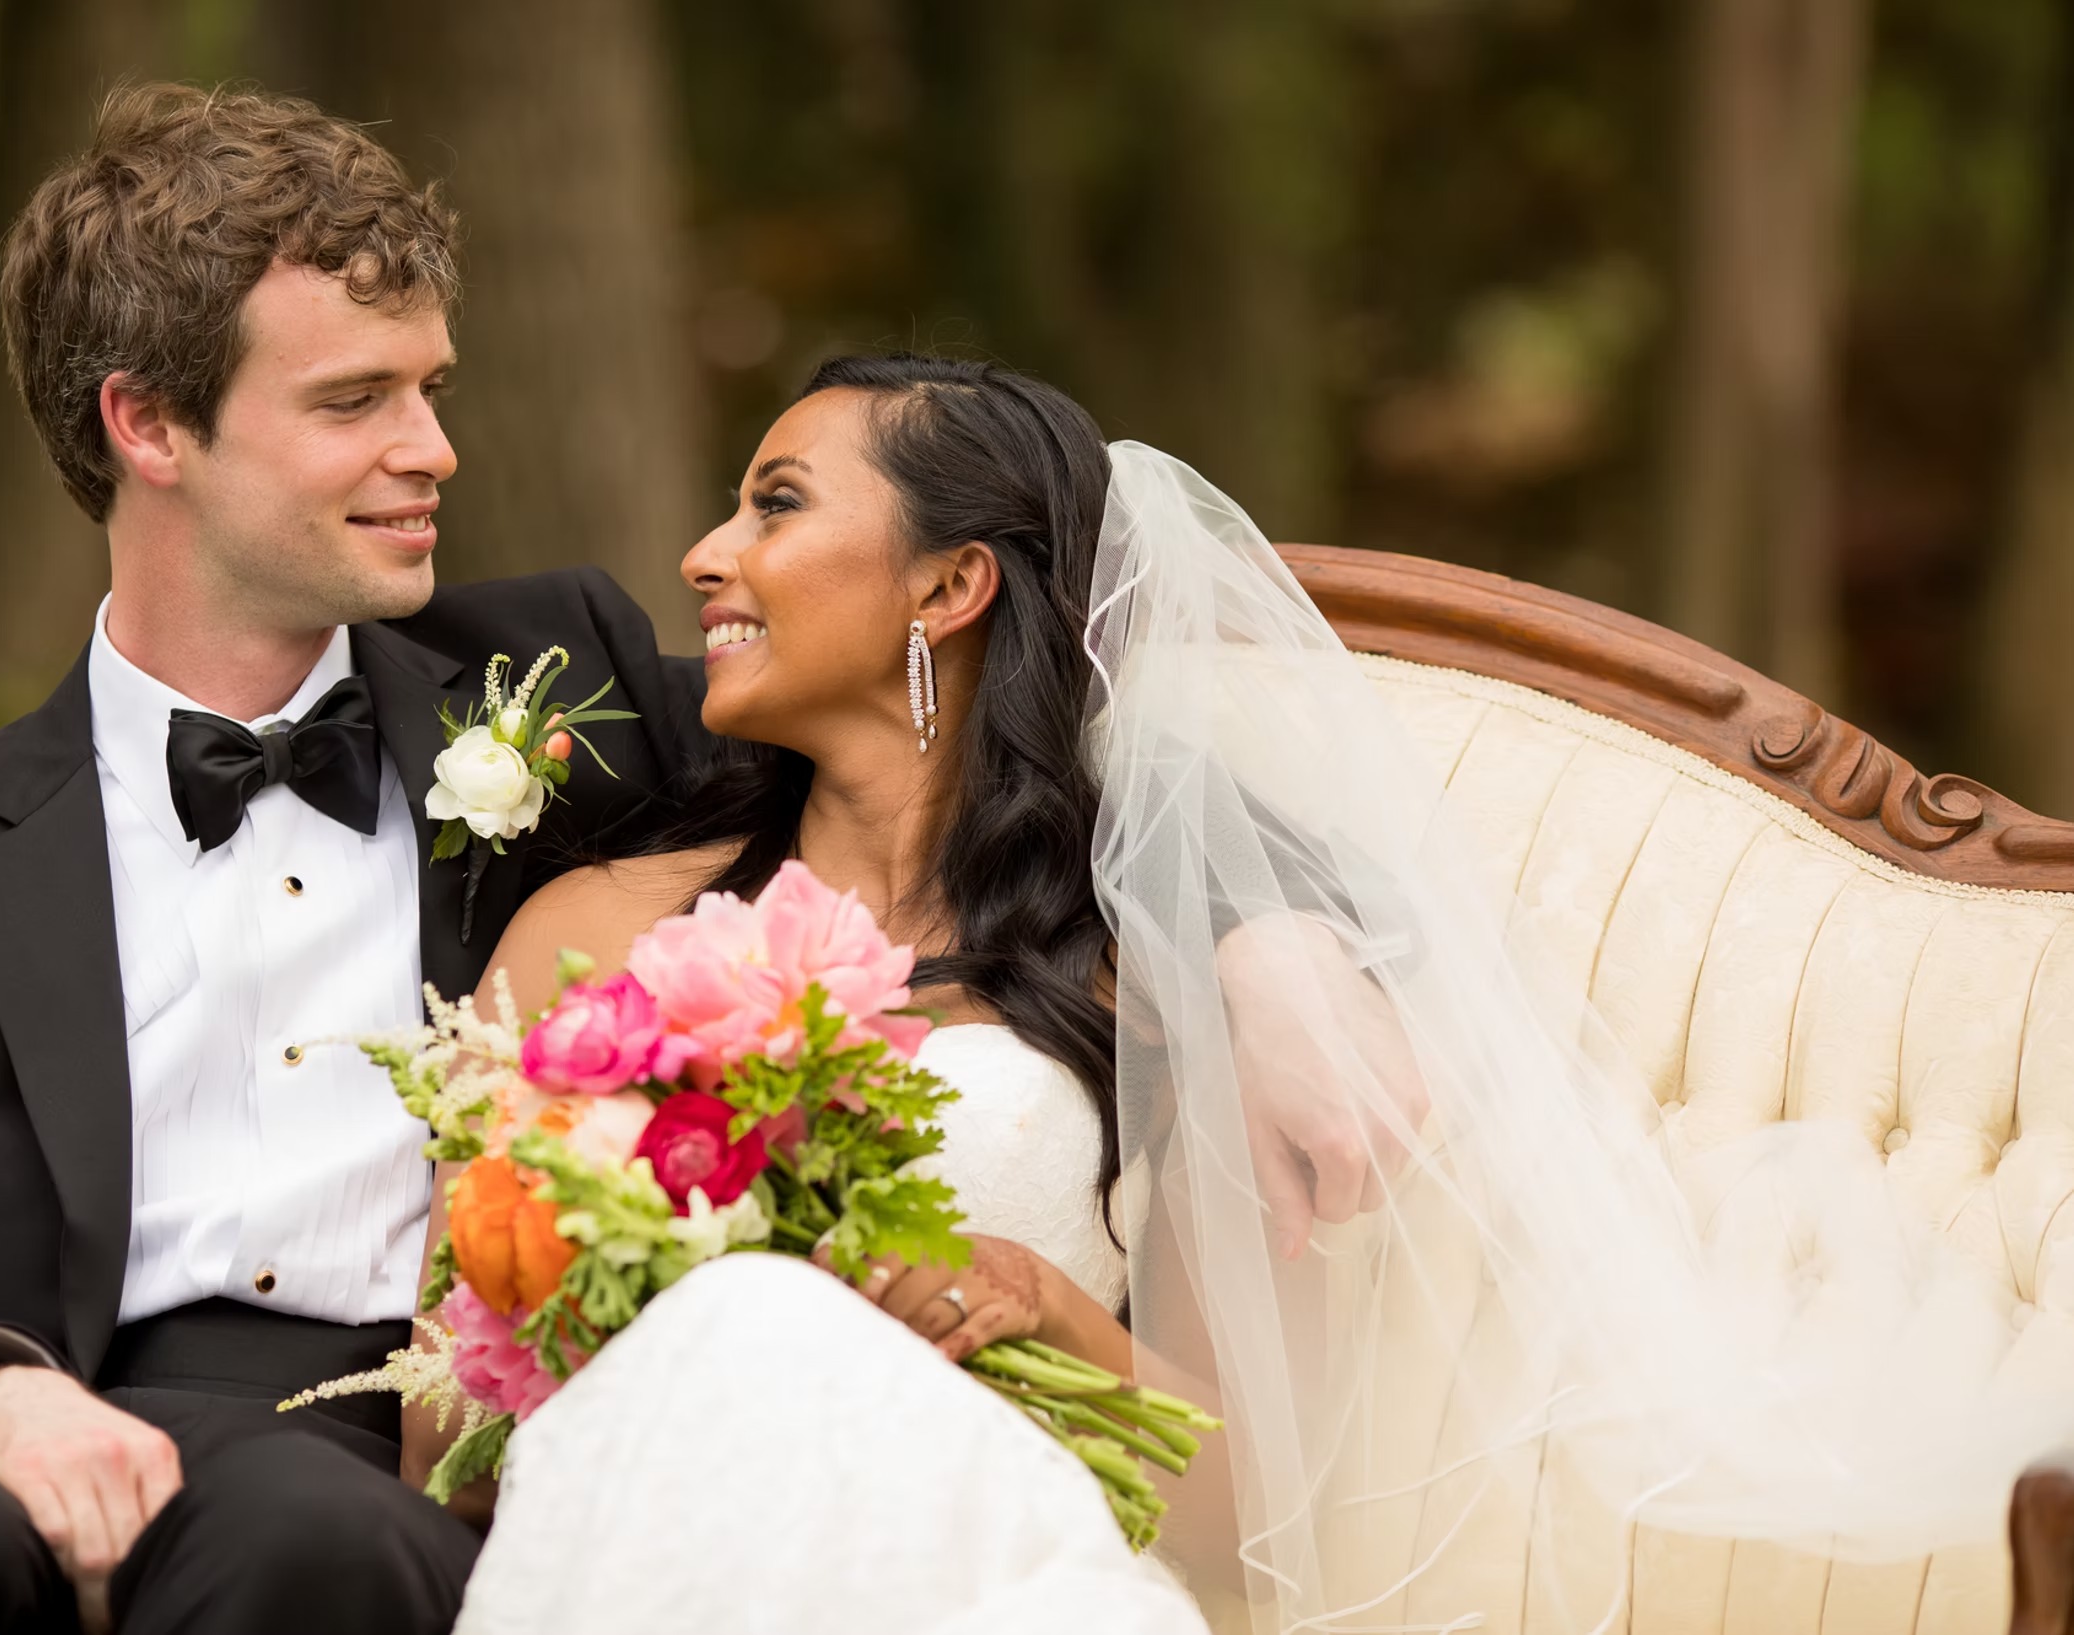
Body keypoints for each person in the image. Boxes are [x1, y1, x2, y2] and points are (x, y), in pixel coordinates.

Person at [423, 353, 2074, 1635]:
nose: (706, 553)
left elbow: (1233, 1516)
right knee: (748, 1334)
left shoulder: (1143, 972)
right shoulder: (596, 931)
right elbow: (437, 1420)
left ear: (946, 587)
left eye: (775, 504)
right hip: (652, 1537)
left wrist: (1036, 1305)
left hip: (985, 1560)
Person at [0, 84, 714, 1635]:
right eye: (353, 400)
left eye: (430, 388)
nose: (434, 449)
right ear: (149, 425)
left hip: (386, 1454)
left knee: (295, 1529)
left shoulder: (568, 684)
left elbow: (891, 721)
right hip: (50, 1425)